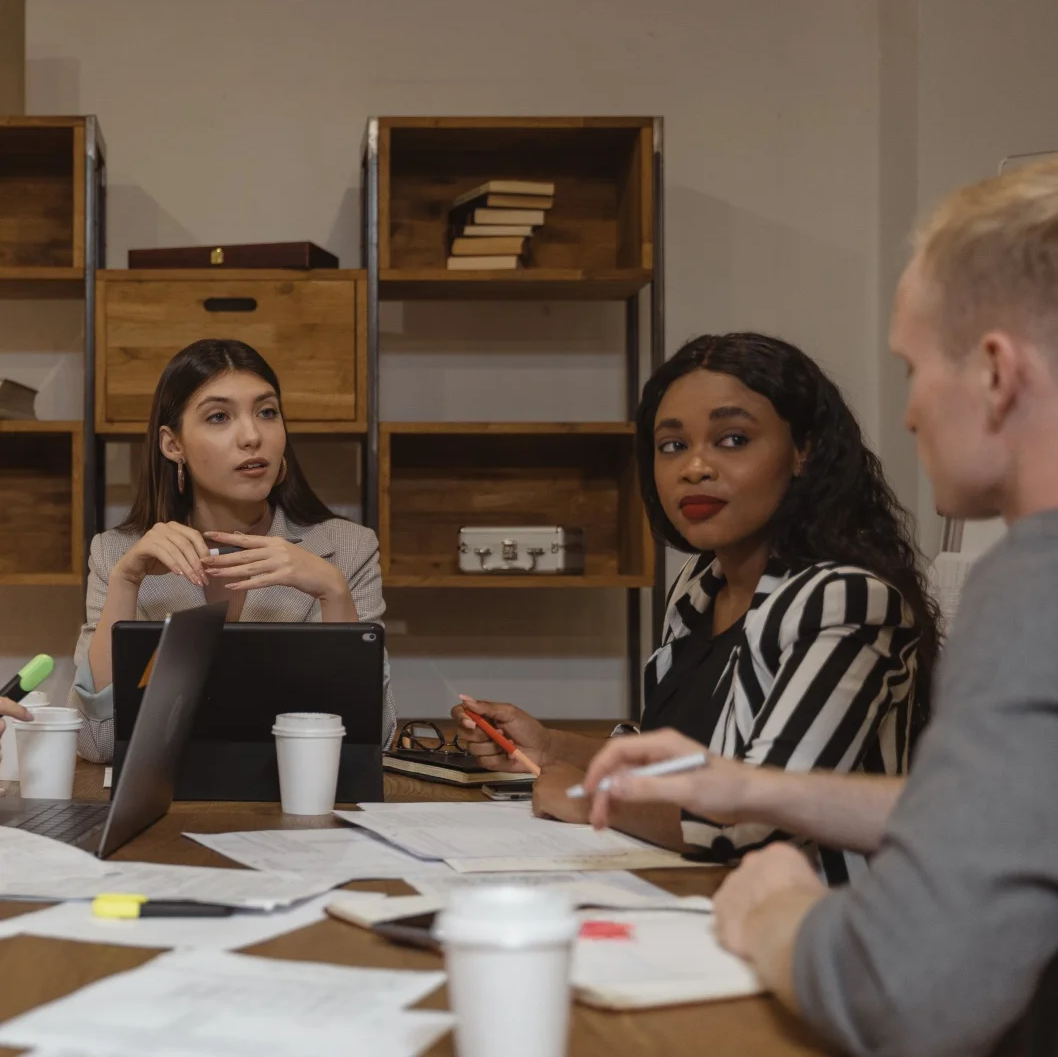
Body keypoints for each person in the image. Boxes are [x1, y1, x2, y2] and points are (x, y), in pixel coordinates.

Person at [580, 159, 1058, 1056]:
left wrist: (777, 911)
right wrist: (752, 784)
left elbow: (908, 984)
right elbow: (1014, 814)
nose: (909, 412)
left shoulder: (1035, 585)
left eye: (914, 368)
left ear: (996, 374)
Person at [453, 331, 939, 884]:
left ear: (804, 451)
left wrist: (593, 796)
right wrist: (551, 745)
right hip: (685, 899)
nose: (695, 468)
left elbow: (755, 819)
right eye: (671, 446)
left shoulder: (847, 601)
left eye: (732, 439)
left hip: (814, 933)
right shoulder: (698, 585)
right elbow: (690, 766)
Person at [69, 338, 396, 763]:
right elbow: (98, 744)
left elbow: (371, 740)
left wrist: (334, 593)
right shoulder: (116, 555)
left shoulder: (348, 549)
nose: (252, 436)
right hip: (166, 814)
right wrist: (126, 583)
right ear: (173, 445)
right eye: (219, 416)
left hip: (296, 808)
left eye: (267, 412)